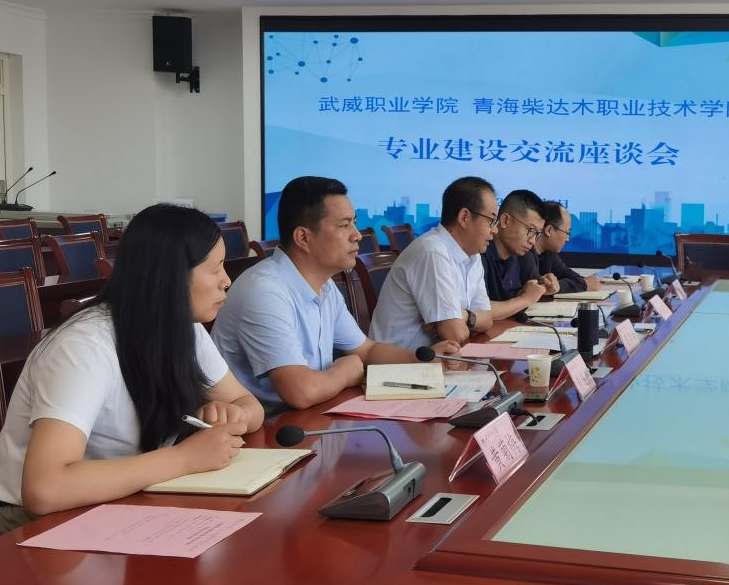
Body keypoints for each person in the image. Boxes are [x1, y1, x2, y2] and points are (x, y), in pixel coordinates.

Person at [0, 204, 264, 541]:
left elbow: (249, 405)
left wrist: (233, 416)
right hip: (33, 523)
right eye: (215, 268)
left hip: (126, 500)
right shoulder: (84, 346)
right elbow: (45, 490)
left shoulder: (182, 328)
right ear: (171, 276)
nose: (227, 280)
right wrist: (183, 459)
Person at [212, 176, 455, 412]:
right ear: (303, 238)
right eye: (344, 225)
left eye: (354, 223)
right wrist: (344, 373)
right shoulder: (265, 292)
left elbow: (366, 351)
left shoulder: (325, 286)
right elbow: (301, 391)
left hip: (310, 416)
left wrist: (425, 360)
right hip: (263, 429)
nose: (356, 235)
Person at [369, 176, 499, 349]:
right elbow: (455, 334)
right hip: (398, 362)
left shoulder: (473, 256)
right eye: (491, 220)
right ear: (464, 217)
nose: (495, 230)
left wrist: (464, 316)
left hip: (434, 357)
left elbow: (488, 320)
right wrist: (460, 322)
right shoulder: (433, 251)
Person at [480, 188, 547, 320]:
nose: (532, 241)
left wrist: (544, 287)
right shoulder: (480, 253)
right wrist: (524, 299)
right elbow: (480, 310)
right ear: (505, 220)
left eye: (537, 234)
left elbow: (534, 288)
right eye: (530, 230)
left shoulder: (524, 255)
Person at [533, 200, 602, 294]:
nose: (567, 239)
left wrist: (557, 286)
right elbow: (537, 289)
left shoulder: (549, 254)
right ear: (549, 230)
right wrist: (584, 284)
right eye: (567, 233)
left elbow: (574, 278)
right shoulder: (524, 253)